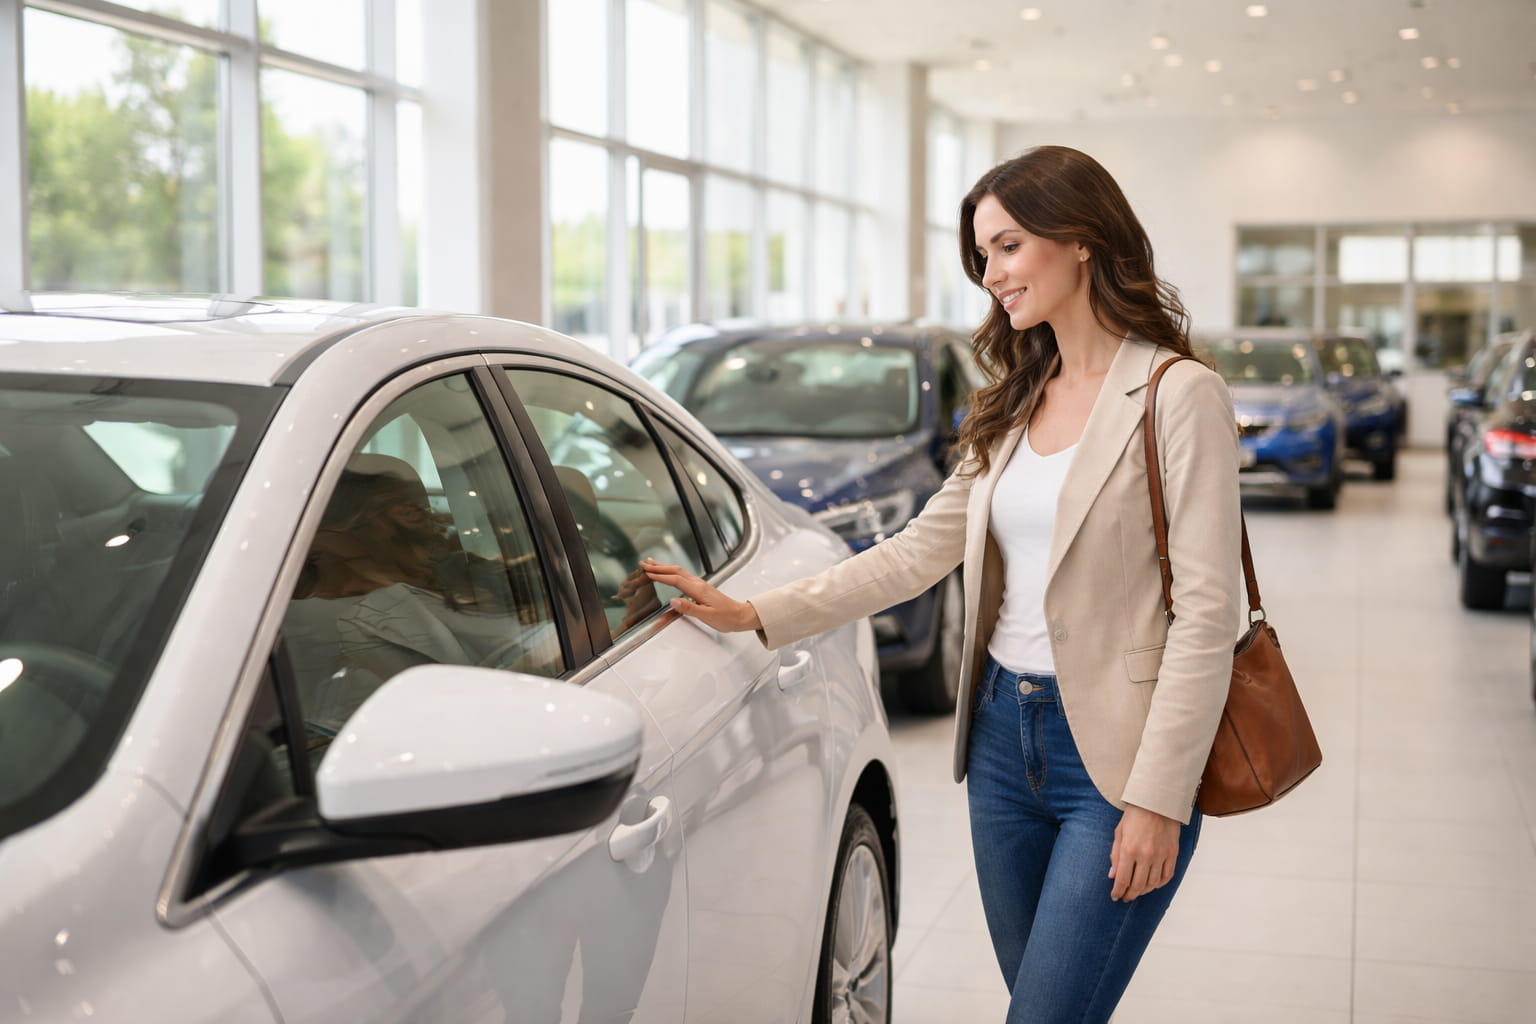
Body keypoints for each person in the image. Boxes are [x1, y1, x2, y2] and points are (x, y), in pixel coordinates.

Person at [641, 145, 1241, 1023]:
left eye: (1007, 247)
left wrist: (1160, 798)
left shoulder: (1176, 394)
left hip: (1115, 757)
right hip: (1002, 742)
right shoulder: (1017, 397)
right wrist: (758, 613)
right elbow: (918, 552)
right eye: (983, 255)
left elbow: (1205, 616)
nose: (992, 274)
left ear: (1079, 240)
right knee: (1043, 1002)